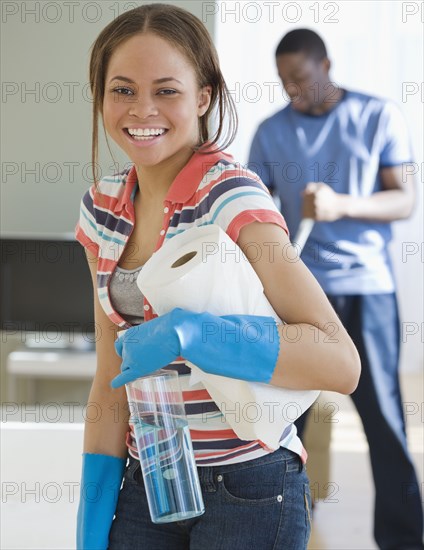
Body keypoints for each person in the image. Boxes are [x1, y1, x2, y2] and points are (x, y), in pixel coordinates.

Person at [74, 7, 360, 549]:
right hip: (149, 483)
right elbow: (110, 378)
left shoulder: (230, 197)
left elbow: (339, 360)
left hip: (249, 486)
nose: (143, 110)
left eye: (166, 90)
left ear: (203, 97)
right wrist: (90, 523)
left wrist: (194, 334)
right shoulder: (101, 209)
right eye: (123, 90)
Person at [248, 28, 423, 550]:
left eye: (301, 79)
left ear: (326, 65)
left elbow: (404, 201)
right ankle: (286, 532)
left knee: (384, 420)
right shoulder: (269, 131)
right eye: (284, 83)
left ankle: (403, 541)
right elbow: (253, 214)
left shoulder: (379, 116)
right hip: (297, 295)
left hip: (366, 289)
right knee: (286, 424)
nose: (293, 91)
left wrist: (342, 205)